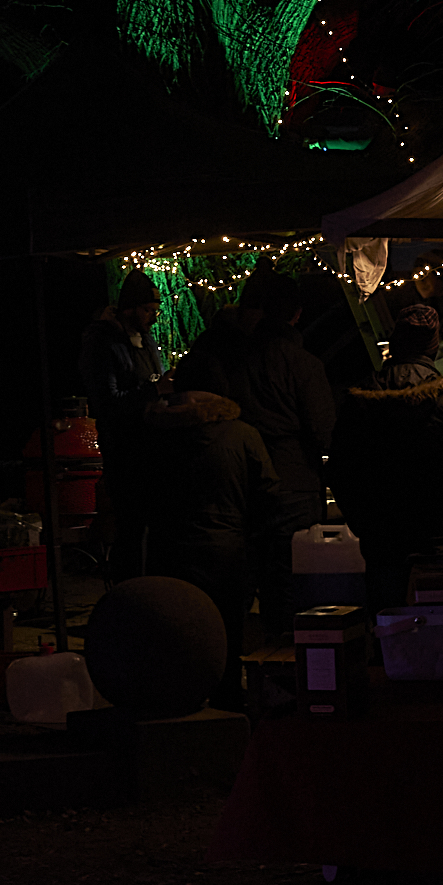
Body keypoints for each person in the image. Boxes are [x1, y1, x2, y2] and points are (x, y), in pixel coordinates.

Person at [173, 271, 336, 636]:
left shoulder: (232, 359)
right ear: (296, 314)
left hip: (244, 480)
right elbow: (324, 429)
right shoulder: (303, 364)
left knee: (253, 574)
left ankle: (249, 649)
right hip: (295, 482)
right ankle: (291, 654)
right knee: (293, 579)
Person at [142, 390, 286, 710]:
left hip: (170, 549)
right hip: (225, 549)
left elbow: (137, 495)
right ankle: (227, 696)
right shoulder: (242, 434)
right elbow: (269, 492)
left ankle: (179, 698)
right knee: (227, 628)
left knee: (176, 627)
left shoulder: (157, 440)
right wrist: (252, 535)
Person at [329, 303, 443, 613]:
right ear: (433, 346)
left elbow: (339, 468)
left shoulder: (359, 401)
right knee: (438, 617)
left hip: (379, 530)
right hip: (434, 529)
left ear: (395, 342)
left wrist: (361, 521)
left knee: (387, 618)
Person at [78, 270, 165, 577]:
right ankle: (129, 586)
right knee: (131, 525)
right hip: (125, 451)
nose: (153, 317)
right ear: (130, 309)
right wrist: (153, 391)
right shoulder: (103, 342)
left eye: (155, 311)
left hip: (152, 448)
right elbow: (108, 401)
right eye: (148, 310)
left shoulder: (146, 340)